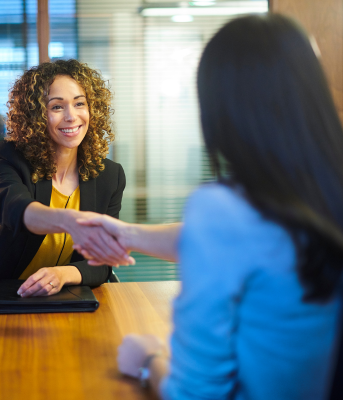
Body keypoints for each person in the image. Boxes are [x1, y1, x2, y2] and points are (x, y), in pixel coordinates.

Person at [77, 14, 343, 399]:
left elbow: (193, 393)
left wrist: (148, 358)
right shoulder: (320, 192)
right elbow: (247, 240)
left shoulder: (223, 210)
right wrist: (129, 234)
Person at [0, 59, 133, 296]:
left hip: (65, 296)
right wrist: (68, 220)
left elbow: (102, 264)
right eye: (57, 107)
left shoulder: (109, 175)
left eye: (80, 104)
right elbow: (16, 210)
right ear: (37, 115)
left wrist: (62, 274)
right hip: (0, 290)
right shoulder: (8, 158)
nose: (71, 116)